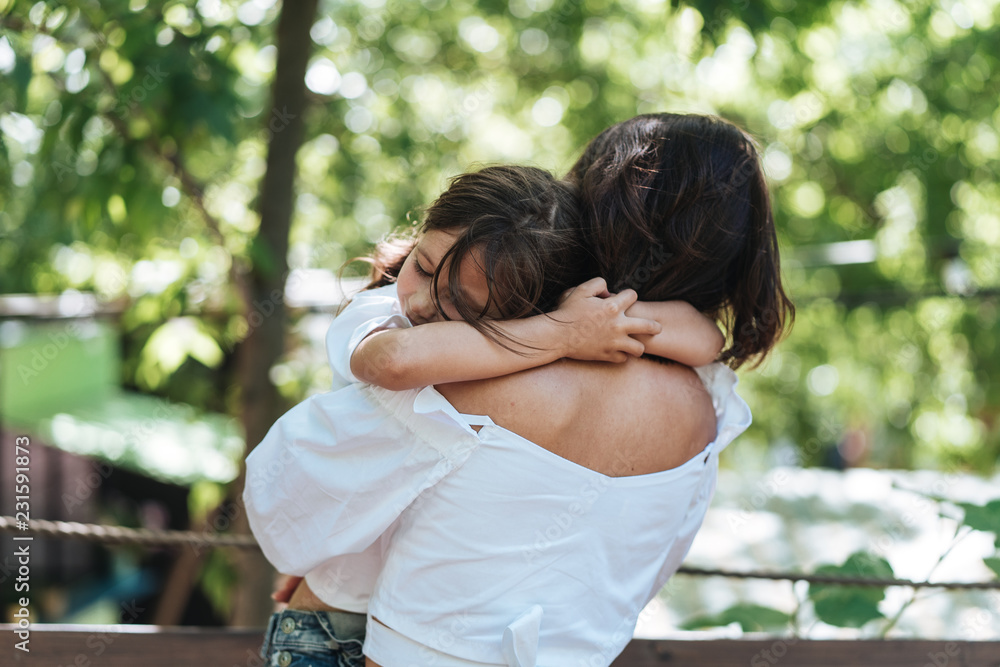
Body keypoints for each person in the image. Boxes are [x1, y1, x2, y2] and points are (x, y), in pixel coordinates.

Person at [245, 164, 727, 667]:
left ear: (519, 310)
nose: (425, 303)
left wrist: (590, 321)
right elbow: (392, 360)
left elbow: (706, 338)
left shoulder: (511, 351)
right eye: (425, 267)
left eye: (462, 303)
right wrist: (564, 332)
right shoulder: (381, 311)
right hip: (332, 623)